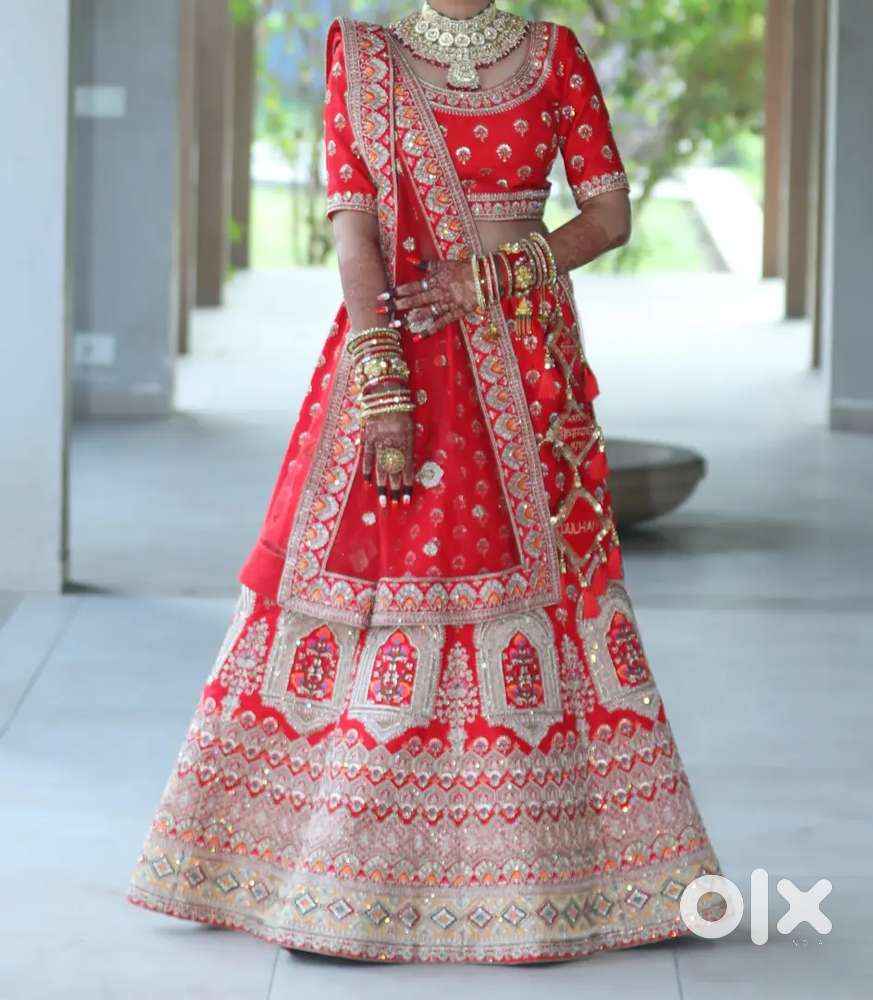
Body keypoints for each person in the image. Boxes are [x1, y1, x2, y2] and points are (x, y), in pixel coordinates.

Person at [128, 0, 723, 964]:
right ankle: (335, 881)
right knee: (381, 580)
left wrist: (489, 277)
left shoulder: (554, 55)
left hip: (525, 361)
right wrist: (381, 379)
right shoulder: (366, 57)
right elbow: (354, 230)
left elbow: (608, 217)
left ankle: (541, 877)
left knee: (542, 593)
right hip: (394, 346)